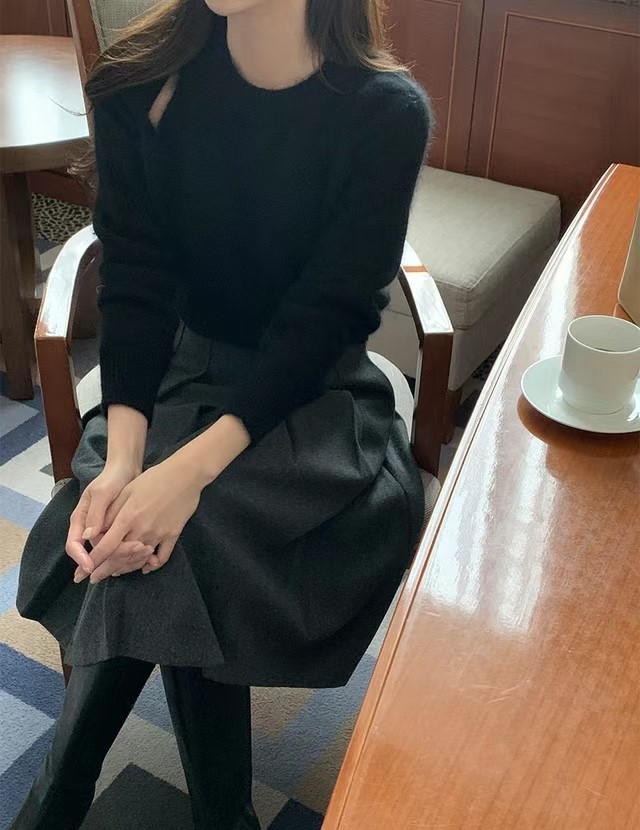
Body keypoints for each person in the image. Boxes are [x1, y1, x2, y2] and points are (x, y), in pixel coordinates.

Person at [12, 0, 431, 827]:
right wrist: (127, 463)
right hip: (173, 377)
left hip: (311, 397)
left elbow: (325, 320)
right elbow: (136, 282)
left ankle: (54, 802)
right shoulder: (140, 86)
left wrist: (185, 475)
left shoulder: (383, 114)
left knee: (171, 539)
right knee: (144, 530)